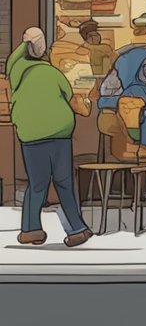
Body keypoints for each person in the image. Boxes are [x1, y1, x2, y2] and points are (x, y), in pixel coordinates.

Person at [9, 28, 93, 247]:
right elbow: (69, 94)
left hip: (30, 136)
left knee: (37, 184)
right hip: (57, 135)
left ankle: (30, 230)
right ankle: (76, 229)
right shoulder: (51, 73)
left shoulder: (16, 73)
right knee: (64, 181)